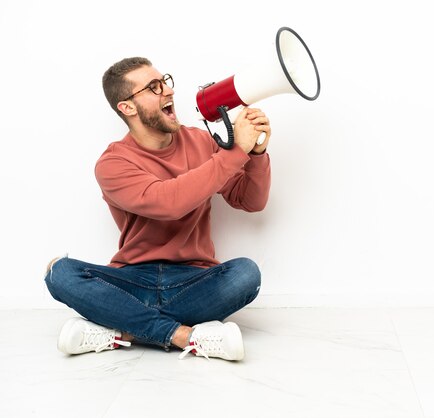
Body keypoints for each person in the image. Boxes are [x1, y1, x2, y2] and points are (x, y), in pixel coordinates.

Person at [44, 57, 271, 361]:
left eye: (165, 81)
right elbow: (169, 203)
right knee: (59, 272)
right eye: (153, 87)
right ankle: (184, 336)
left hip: (193, 280)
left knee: (246, 273)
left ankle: (122, 329)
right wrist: (235, 153)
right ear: (127, 107)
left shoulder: (202, 143)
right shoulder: (113, 163)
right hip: (131, 280)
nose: (168, 91)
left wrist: (256, 154)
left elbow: (250, 201)